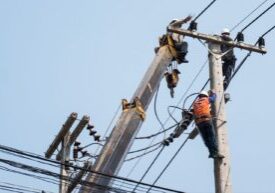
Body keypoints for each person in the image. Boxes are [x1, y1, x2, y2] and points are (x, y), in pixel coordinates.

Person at [193, 90, 224, 159]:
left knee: (206, 139)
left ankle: (211, 153)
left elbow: (194, 112)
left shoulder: (195, 103)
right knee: (211, 138)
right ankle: (216, 153)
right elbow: (213, 99)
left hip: (199, 123)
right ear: (206, 96)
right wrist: (214, 93)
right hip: (206, 121)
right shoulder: (206, 100)